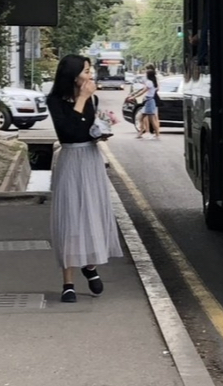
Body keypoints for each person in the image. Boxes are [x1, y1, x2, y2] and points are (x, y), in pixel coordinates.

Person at [46, 54, 123, 303]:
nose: (90, 75)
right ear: (73, 74)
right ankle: (67, 283)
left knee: (91, 213)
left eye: (90, 70)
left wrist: (103, 128)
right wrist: (81, 99)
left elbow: (86, 131)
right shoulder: (56, 100)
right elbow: (68, 131)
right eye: (86, 71)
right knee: (69, 217)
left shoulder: (93, 99)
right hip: (70, 160)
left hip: (90, 159)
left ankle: (89, 266)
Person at [130, 65, 161, 139]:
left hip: (149, 101)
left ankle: (156, 134)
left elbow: (143, 91)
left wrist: (134, 97)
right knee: (142, 118)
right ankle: (141, 133)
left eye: (146, 74)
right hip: (149, 101)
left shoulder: (149, 82)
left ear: (148, 75)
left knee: (151, 119)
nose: (145, 75)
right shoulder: (153, 82)